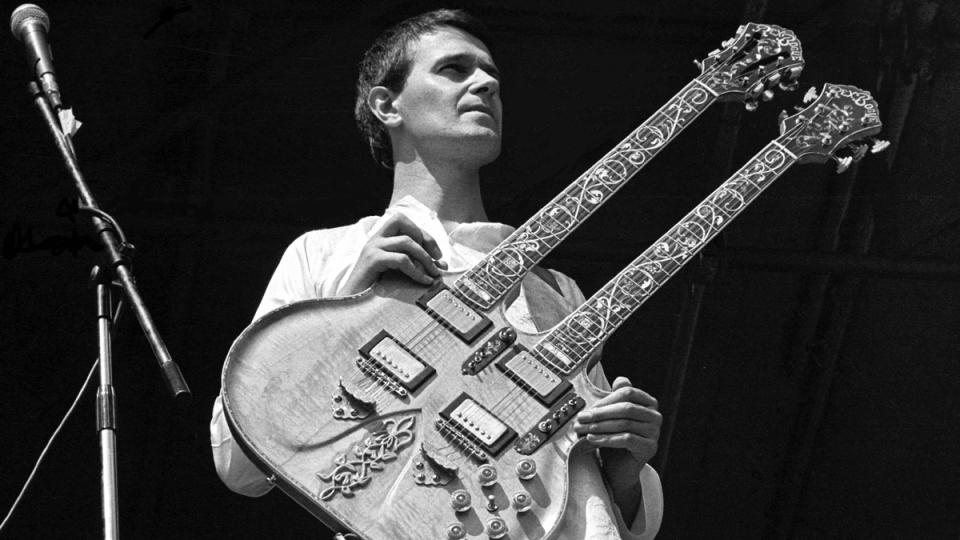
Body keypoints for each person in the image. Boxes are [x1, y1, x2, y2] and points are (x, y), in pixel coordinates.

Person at [210, 9, 663, 539]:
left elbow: (591, 488)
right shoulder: (327, 255)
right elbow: (239, 465)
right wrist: (347, 308)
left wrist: (626, 470)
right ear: (387, 105)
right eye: (454, 68)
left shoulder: (556, 291)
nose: (487, 83)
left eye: (491, 74)